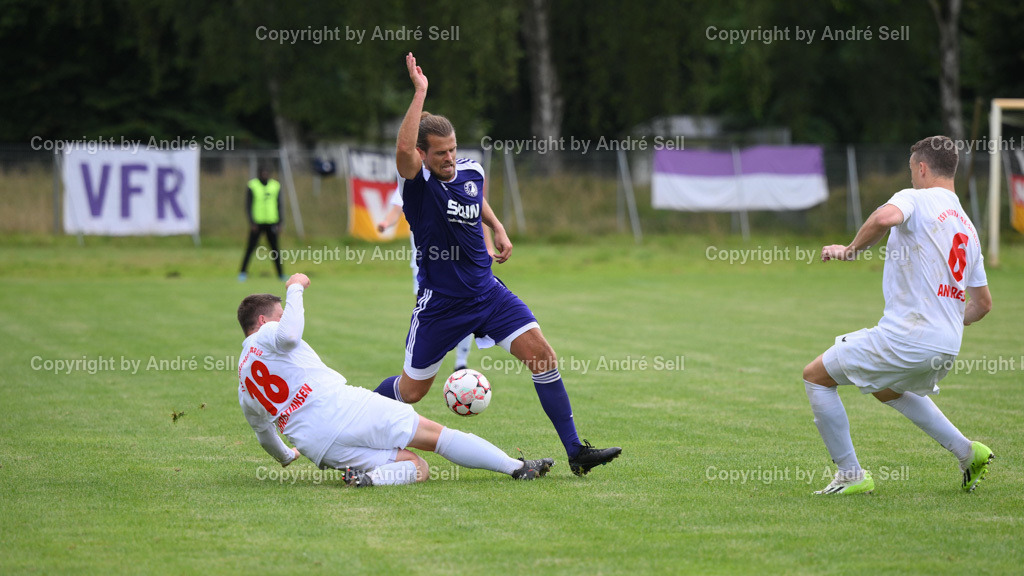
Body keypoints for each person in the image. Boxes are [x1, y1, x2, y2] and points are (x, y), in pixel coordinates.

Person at [372, 52, 621, 476]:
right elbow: (401, 148)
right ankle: (359, 414)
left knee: (543, 357)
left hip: (488, 293)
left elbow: (476, 197)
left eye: (453, 149)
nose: (449, 158)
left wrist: (498, 227)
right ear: (422, 154)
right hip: (441, 304)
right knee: (411, 392)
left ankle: (576, 452)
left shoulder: (470, 169)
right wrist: (420, 92)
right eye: (440, 153)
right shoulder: (417, 184)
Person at [803, 135, 994, 495]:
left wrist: (850, 251)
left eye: (911, 171)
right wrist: (950, 319)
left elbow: (884, 217)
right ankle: (969, 453)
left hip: (909, 336)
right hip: (946, 346)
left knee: (815, 377)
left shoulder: (915, 198)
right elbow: (983, 304)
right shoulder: (968, 228)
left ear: (921, 168)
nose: (910, 178)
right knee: (883, 387)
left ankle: (851, 475)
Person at [237, 273, 555, 486]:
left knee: (418, 468)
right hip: (344, 408)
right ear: (263, 321)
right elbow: (290, 335)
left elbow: (265, 436)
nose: (282, 321)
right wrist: (294, 287)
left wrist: (286, 456)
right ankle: (517, 468)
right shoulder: (266, 333)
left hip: (318, 446)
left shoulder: (243, 384)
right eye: (279, 316)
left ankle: (369, 479)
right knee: (438, 437)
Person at [378, 186, 476, 371]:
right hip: (423, 267)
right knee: (425, 314)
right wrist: (385, 223)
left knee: (465, 308)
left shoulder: (450, 182)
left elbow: (477, 213)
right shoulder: (407, 183)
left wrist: (486, 244)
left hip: (455, 262)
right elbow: (395, 210)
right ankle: (421, 362)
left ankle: (460, 363)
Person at [239, 167, 285, 281]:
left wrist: (280, 222)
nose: (264, 175)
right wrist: (251, 221)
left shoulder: (275, 186)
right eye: (262, 173)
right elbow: (248, 205)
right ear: (258, 174)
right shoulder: (252, 185)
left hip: (271, 222)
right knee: (250, 248)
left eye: (266, 173)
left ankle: (281, 274)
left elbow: (279, 205)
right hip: (257, 223)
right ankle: (242, 273)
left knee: (275, 249)